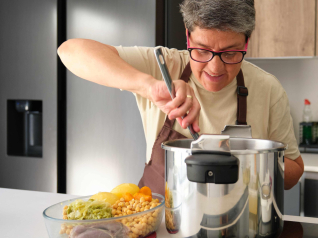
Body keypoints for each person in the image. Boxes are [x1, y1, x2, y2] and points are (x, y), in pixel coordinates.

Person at [57, 0, 304, 194]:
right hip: (162, 226)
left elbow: (294, 170)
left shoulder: (268, 88)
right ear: (188, 37)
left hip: (238, 225)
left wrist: (249, 160)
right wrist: (149, 86)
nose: (214, 69)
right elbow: (69, 51)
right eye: (202, 50)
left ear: (247, 42)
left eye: (230, 53)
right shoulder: (164, 66)